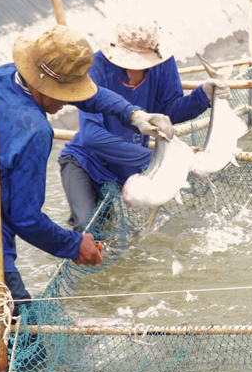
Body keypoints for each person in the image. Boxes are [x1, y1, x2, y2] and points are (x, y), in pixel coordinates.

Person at [0, 24, 174, 360]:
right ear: (44, 86)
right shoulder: (34, 129)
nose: (69, 102)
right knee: (25, 359)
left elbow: (91, 95)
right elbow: (25, 218)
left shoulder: (0, 79)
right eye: (66, 93)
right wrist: (75, 245)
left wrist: (133, 113)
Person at [58, 21, 231, 232]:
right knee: (88, 229)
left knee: (132, 234)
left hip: (128, 164)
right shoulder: (95, 69)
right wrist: (156, 161)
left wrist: (202, 95)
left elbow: (169, 113)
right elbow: (91, 136)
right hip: (86, 162)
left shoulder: (161, 62)